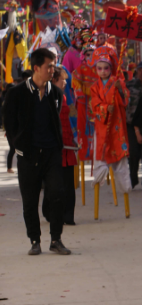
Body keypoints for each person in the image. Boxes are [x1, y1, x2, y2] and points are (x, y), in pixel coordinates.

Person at [3, 48, 71, 255]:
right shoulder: (16, 94)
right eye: (49, 66)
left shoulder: (56, 93)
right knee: (30, 199)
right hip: (28, 154)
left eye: (53, 65)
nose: (53, 70)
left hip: (51, 152)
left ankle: (56, 239)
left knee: (57, 193)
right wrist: (18, 146)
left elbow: (55, 119)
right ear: (36, 68)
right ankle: (35, 240)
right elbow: (9, 123)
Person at [89, 46, 132, 217]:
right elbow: (95, 106)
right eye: (99, 68)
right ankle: (96, 211)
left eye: (106, 68)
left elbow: (126, 99)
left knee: (121, 164)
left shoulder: (118, 81)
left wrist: (120, 90)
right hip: (102, 127)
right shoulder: (94, 87)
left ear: (111, 68)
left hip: (117, 126)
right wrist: (106, 108)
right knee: (100, 158)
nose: (103, 71)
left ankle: (127, 207)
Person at [42, 66, 77, 226]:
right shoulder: (45, 98)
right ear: (53, 81)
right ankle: (51, 213)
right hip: (54, 148)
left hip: (68, 147)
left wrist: (74, 139)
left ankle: (68, 216)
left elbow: (68, 122)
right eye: (62, 80)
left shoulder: (63, 97)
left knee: (69, 185)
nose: (64, 82)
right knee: (54, 185)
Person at [126, 61, 142, 189]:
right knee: (133, 153)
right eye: (140, 70)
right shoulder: (130, 85)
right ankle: (132, 180)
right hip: (131, 123)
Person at [72, 44, 98, 162]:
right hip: (85, 103)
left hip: (97, 102)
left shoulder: (100, 68)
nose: (90, 56)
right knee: (84, 127)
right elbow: (75, 80)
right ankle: (85, 152)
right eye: (88, 54)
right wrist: (81, 95)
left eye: (92, 54)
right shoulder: (81, 69)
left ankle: (97, 152)